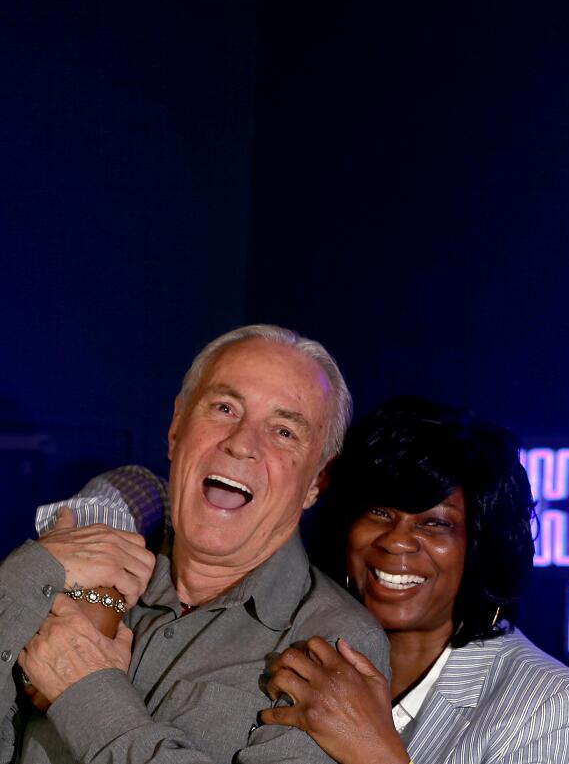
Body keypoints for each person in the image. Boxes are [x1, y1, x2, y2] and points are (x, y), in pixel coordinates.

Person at [0, 324, 389, 763]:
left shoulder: (334, 641)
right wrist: (24, 573)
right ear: (175, 428)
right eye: (224, 408)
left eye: (283, 431)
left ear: (317, 481)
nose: (241, 443)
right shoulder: (82, 568)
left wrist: (86, 693)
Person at [258, 396, 569, 764]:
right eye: (379, 511)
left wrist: (374, 752)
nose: (396, 540)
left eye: (435, 523)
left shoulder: (554, 706)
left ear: (479, 547)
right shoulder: (288, 643)